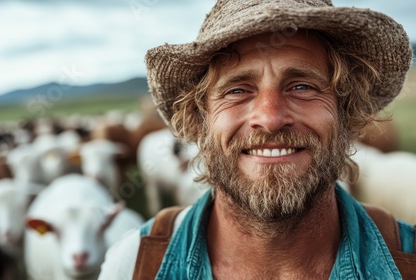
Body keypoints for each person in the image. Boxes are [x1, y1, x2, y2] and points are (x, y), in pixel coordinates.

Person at [99, 0, 415, 279]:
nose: (270, 117)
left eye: (302, 86)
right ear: (200, 120)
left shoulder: (408, 262)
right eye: (237, 90)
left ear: (346, 112)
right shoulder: (133, 265)